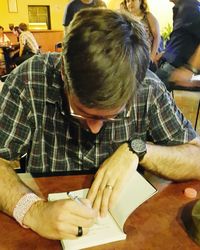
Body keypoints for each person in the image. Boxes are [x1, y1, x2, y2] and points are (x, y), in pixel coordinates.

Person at [0, 8, 200, 240]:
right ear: (64, 73)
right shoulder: (30, 79)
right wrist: (33, 211)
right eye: (82, 112)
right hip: (44, 230)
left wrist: (139, 150)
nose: (94, 130)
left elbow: (196, 156)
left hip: (131, 228)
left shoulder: (148, 87)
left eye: (110, 117)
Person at [155, 0, 200, 91]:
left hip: (177, 70)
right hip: (169, 67)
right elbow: (179, 39)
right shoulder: (181, 9)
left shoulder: (192, 8)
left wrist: (191, 69)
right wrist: (165, 52)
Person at [124, 0, 160, 70]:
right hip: (132, 61)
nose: (130, 3)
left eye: (133, 0)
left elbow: (157, 37)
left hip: (147, 59)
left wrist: (151, 57)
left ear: (140, 1)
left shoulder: (148, 16)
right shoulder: (126, 19)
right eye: (128, 1)